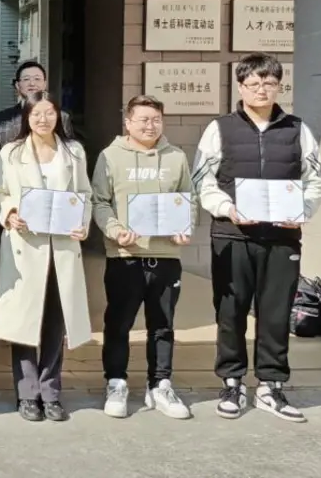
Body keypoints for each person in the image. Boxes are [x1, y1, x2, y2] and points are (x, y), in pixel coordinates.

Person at [192, 52, 321, 423]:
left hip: (283, 238)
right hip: (233, 234)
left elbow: (316, 179)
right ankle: (232, 382)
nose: (261, 90)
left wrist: (303, 211)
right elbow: (201, 178)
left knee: (276, 312)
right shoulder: (219, 128)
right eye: (253, 83)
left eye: (269, 83)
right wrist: (224, 206)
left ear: (279, 86)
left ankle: (271, 385)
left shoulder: (298, 129)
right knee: (230, 311)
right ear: (240, 87)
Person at [0, 92, 92, 423]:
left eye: (49, 113)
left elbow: (86, 195)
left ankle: (51, 392)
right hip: (25, 246)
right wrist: (10, 213)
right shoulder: (11, 152)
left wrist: (82, 222)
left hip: (61, 246)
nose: (43, 119)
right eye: (36, 114)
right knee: (24, 322)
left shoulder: (73, 152)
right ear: (26, 118)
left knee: (53, 322)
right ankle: (26, 393)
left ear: (58, 116)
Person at [91, 95, 194, 420]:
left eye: (156, 120)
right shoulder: (110, 156)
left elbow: (188, 199)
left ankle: (160, 384)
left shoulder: (176, 157)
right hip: (125, 255)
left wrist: (184, 227)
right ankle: (117, 382)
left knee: (162, 325)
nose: (150, 126)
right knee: (118, 324)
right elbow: (99, 201)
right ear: (128, 122)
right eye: (143, 120)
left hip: (166, 255)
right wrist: (115, 229)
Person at [0, 61, 75, 170]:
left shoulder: (61, 116)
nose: (32, 83)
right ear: (18, 85)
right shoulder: (2, 119)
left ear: (45, 84)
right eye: (26, 79)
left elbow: (69, 153)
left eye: (37, 79)